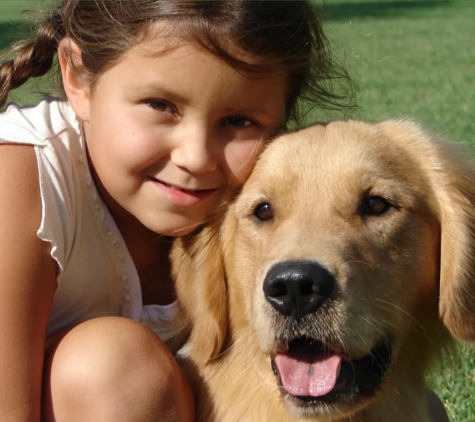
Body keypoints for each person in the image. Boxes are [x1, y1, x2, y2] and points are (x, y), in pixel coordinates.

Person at [0, 1, 448, 422]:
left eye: (238, 121)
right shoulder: (20, 178)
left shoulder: (230, 201)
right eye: (160, 105)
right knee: (116, 370)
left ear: (282, 119)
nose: (195, 157)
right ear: (78, 79)